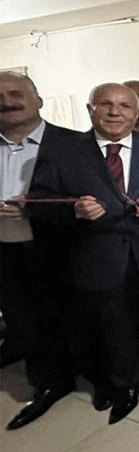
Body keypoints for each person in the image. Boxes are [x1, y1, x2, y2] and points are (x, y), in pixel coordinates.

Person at [29, 83, 139, 424]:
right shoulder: (64, 150)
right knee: (116, 324)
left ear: (137, 113)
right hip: (98, 255)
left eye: (124, 106)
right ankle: (130, 382)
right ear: (91, 109)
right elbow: (40, 201)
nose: (115, 112)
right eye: (105, 104)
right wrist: (72, 209)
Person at [0, 72, 80, 429]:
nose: (7, 102)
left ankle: (59, 379)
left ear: (38, 100)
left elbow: (90, 197)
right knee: (18, 314)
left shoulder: (74, 144)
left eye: (15, 93)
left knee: (60, 317)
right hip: (4, 249)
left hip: (56, 248)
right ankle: (37, 367)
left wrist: (37, 206)